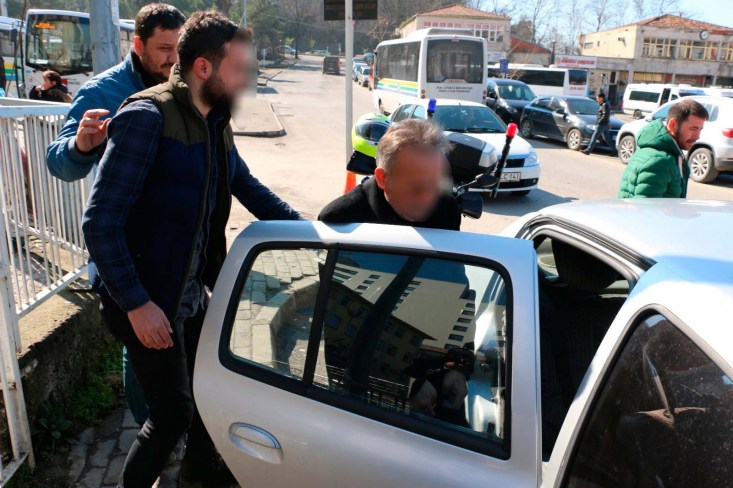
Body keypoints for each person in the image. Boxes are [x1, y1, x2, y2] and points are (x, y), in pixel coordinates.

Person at [82, 10, 302, 486]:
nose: (246, 80)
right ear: (204, 68)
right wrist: (137, 304)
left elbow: (247, 186)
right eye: (238, 68)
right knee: (172, 414)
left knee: (212, 390)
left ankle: (198, 476)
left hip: (187, 290)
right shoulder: (146, 118)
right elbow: (100, 223)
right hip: (142, 296)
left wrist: (312, 233)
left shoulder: (215, 119)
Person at [45, 3, 186, 428]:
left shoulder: (181, 84)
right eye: (164, 49)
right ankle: (147, 427)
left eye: (179, 48)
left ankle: (170, 417)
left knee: (174, 333)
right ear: (138, 45)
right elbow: (58, 162)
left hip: (175, 237)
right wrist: (81, 146)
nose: (173, 58)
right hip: (125, 243)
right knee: (141, 342)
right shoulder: (102, 92)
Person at [319, 118, 461, 230]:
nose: (428, 198)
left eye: (435, 186)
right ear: (383, 178)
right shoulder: (340, 219)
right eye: (416, 189)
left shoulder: (447, 211)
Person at [618, 99, 708, 199]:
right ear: (673, 125)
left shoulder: (656, 149)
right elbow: (647, 207)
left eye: (700, 130)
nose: (697, 136)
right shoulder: (661, 161)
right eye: (693, 129)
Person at [582, 91, 616, 156]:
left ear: (601, 98)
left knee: (594, 137)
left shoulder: (604, 105)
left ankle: (588, 150)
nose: (597, 99)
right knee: (606, 139)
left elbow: (605, 115)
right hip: (605, 124)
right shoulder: (603, 104)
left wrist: (599, 122)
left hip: (601, 124)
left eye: (597, 98)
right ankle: (614, 150)